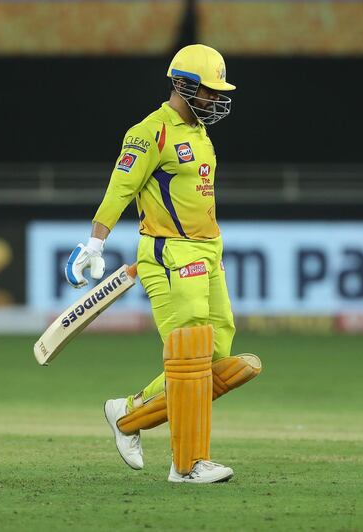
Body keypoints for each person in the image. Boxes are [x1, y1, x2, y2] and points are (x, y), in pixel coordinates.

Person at [65, 44, 261, 484]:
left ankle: (128, 414)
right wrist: (94, 244)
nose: (215, 99)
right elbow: (120, 188)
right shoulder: (149, 132)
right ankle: (188, 464)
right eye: (209, 91)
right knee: (190, 357)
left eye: (217, 91)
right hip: (170, 254)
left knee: (215, 358)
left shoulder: (199, 132)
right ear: (182, 84)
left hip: (209, 252)